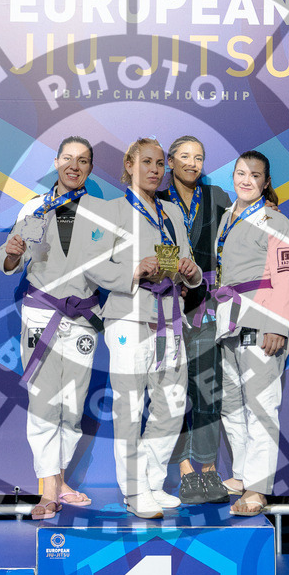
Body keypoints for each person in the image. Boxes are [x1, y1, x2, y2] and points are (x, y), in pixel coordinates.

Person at [0, 136, 111, 520]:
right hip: (42, 313)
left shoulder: (101, 212)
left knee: (73, 404)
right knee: (44, 401)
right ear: (56, 162)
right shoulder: (35, 208)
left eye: (83, 160)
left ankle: (60, 481)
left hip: (82, 315)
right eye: (67, 158)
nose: (74, 165)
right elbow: (12, 259)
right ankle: (46, 490)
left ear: (90, 169)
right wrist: (12, 253)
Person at [96, 138, 202, 519]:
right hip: (128, 315)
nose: (155, 170)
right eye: (146, 162)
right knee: (129, 407)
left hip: (171, 318)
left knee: (172, 405)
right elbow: (93, 267)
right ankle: (134, 491)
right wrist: (134, 270)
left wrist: (192, 273)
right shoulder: (111, 211)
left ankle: (153, 483)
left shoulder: (172, 213)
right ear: (129, 164)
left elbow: (189, 266)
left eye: (160, 163)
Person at [214, 150, 289, 516]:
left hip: (262, 320)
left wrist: (277, 325)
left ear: (265, 182)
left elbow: (286, 277)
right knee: (231, 403)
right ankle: (243, 474)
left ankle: (258, 489)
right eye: (240, 173)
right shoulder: (226, 219)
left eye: (254, 175)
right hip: (228, 321)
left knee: (261, 405)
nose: (245, 180)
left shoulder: (276, 221)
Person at [160, 136, 231, 505]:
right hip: (168, 304)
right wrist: (174, 283)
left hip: (207, 305)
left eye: (199, 157)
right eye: (185, 156)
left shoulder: (217, 196)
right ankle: (185, 472)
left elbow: (233, 239)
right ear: (170, 162)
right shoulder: (158, 201)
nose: (192, 162)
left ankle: (208, 469)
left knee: (206, 387)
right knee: (174, 393)